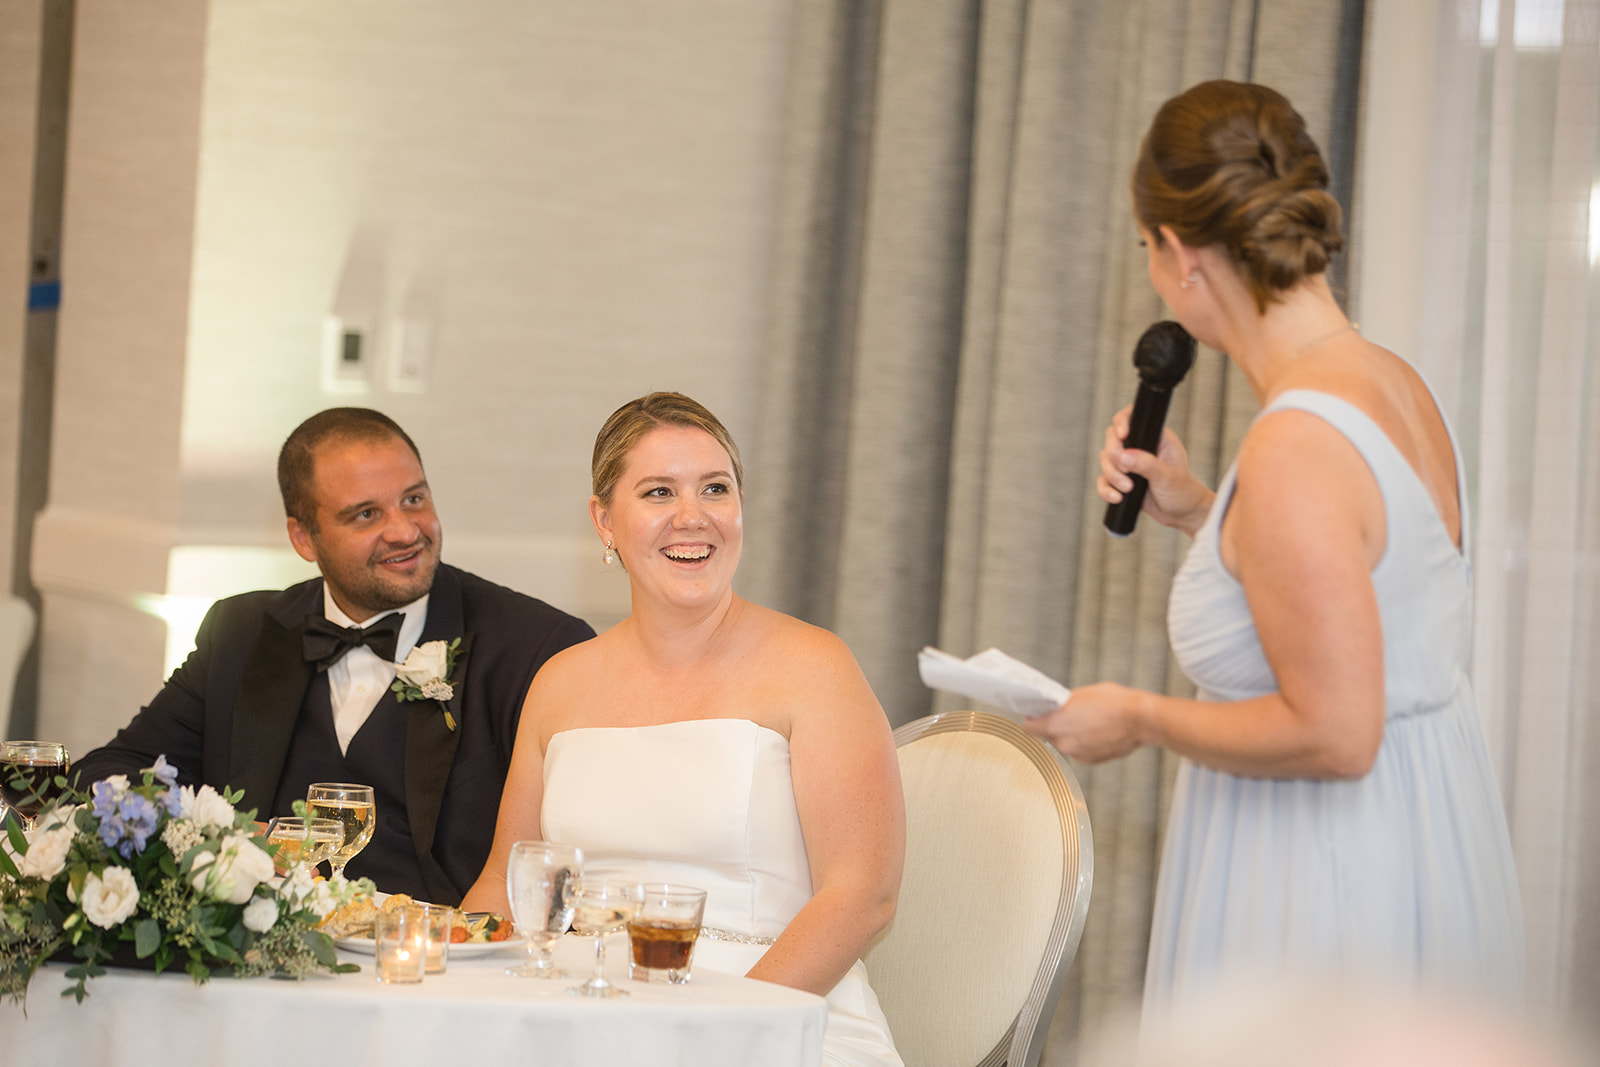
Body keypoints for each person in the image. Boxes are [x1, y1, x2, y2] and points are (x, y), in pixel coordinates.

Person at [1024, 81, 1523, 1014]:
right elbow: (1367, 593)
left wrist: (1137, 716)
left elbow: (1335, 731)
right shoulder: (1393, 382)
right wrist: (1201, 512)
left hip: (1323, 876)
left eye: (1146, 249)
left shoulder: (1296, 442)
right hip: (1422, 840)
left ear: (1177, 251)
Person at [463, 392, 905, 1067]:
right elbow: (505, 878)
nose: (692, 517)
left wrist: (715, 1032)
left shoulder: (814, 665)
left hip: (771, 1010)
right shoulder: (560, 681)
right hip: (580, 1010)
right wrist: (448, 982)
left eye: (715, 488)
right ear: (604, 520)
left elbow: (862, 893)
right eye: (659, 491)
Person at [71, 408, 595, 904]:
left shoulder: (537, 648)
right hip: (266, 959)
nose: (405, 531)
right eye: (366, 514)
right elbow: (106, 773)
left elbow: (570, 850)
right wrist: (216, 830)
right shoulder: (242, 634)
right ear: (303, 537)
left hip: (439, 970)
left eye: (414, 499)